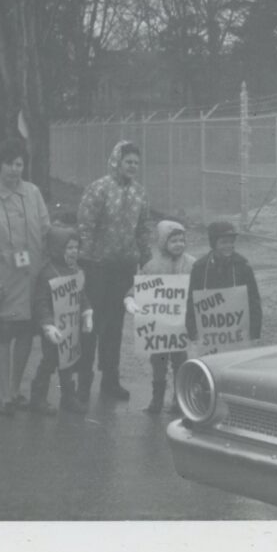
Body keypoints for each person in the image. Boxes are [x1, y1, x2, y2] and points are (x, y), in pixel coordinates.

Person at [0, 138, 50, 417]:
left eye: (19, 164)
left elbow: (46, 229)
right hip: (2, 281)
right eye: (8, 164)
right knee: (3, 336)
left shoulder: (33, 193)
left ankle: (15, 390)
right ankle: (4, 395)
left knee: (26, 333)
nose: (15, 170)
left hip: (31, 278)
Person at [76, 140, 150, 403]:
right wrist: (84, 261)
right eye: (128, 161)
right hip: (97, 267)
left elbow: (143, 228)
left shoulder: (139, 193)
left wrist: (147, 260)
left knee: (115, 327)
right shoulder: (99, 189)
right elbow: (85, 225)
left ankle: (110, 380)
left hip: (124, 268)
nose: (132, 166)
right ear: (116, 161)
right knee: (91, 324)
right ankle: (83, 383)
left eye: (136, 163)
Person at [124, 220, 195, 415]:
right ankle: (157, 399)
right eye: (174, 240)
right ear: (163, 242)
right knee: (158, 363)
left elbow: (200, 286)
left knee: (181, 362)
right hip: (159, 329)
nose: (179, 244)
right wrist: (130, 298)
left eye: (182, 240)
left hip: (181, 327)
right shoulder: (152, 266)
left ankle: (180, 399)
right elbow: (139, 287)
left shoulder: (191, 263)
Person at [31, 227, 94, 415]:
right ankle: (38, 398)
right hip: (55, 329)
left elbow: (81, 296)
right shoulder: (47, 273)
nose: (74, 251)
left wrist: (87, 313)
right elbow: (41, 302)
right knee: (49, 362)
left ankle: (68, 397)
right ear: (58, 249)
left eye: (76, 247)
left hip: (71, 327)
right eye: (69, 248)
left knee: (69, 362)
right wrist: (47, 325)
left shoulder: (78, 270)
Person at [185, 221, 262, 349]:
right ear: (214, 244)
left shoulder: (242, 266)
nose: (229, 246)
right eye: (223, 242)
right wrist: (193, 333)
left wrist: (254, 333)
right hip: (210, 338)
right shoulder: (200, 268)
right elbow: (192, 302)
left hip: (238, 336)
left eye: (231, 242)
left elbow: (254, 301)